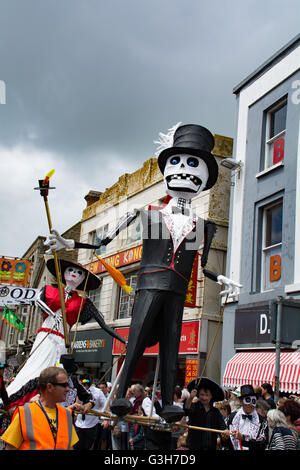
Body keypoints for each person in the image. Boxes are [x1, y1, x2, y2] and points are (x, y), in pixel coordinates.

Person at [45, 124, 241, 423]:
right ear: (166, 170)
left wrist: (222, 278)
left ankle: (167, 403)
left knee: (172, 342)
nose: (183, 170)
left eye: (192, 163)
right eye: (176, 162)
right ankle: (122, 392)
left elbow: (202, 266)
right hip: (149, 284)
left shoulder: (204, 225)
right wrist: (69, 243)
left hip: (177, 288)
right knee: (136, 340)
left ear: (204, 179)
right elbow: (102, 243)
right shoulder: (148, 214)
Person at [6, 259, 125, 403]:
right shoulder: (50, 290)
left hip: (62, 339)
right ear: (63, 273)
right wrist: (52, 313)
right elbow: (38, 300)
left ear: (82, 279)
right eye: (71, 270)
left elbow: (103, 324)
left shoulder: (83, 302)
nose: (74, 274)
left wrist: (123, 340)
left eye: (79, 273)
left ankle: (61, 399)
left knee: (60, 370)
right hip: (46, 335)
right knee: (37, 366)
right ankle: (18, 396)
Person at [1, 366, 79, 450]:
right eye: (64, 385)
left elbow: (69, 446)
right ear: (49, 387)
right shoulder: (25, 414)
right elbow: (10, 448)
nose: (68, 389)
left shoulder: (66, 414)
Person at [221, 384, 268, 451]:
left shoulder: (262, 421)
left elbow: (262, 443)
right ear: (241, 401)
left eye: (253, 401)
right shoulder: (232, 418)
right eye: (248, 400)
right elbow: (226, 444)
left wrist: (243, 438)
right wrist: (224, 438)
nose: (251, 404)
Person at [184, 377, 226, 450]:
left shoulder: (215, 412)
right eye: (202, 395)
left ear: (211, 396)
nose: (204, 398)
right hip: (195, 447)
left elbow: (222, 427)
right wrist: (190, 398)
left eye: (207, 395)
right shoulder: (195, 407)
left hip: (211, 447)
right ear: (198, 395)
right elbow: (186, 410)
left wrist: (225, 432)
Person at [74, 374, 106, 450]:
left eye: (87, 384)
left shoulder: (98, 392)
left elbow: (105, 406)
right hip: (79, 423)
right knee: (76, 445)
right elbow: (76, 403)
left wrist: (106, 419)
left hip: (92, 423)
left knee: (88, 446)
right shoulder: (79, 391)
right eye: (83, 384)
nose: (85, 386)